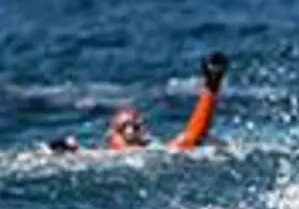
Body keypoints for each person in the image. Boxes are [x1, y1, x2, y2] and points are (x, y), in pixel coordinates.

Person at [47, 52, 229, 153]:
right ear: (111, 135)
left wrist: (211, 86)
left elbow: (190, 137)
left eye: (137, 125)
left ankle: (212, 84)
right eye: (126, 126)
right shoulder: (102, 156)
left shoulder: (155, 151)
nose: (133, 129)